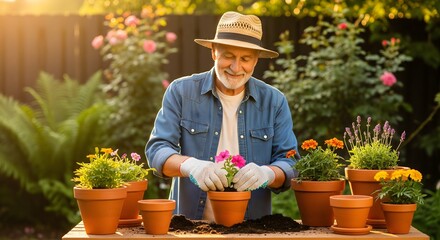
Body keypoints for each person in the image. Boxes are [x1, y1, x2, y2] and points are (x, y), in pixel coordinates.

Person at [145, 11, 299, 221]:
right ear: (214, 53)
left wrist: (268, 173)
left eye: (245, 59)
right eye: (228, 56)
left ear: (255, 61)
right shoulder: (181, 92)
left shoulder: (274, 102)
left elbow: (290, 163)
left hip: (251, 230)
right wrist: (191, 166)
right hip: (189, 227)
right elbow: (157, 150)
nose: (236, 67)